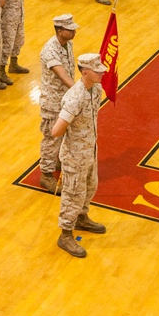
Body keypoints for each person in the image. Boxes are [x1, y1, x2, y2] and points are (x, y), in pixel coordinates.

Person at [50, 53, 107, 258]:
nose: (102, 72)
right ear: (85, 73)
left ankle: (82, 217)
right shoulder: (75, 97)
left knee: (90, 186)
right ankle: (65, 234)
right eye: (97, 70)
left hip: (89, 150)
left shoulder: (96, 89)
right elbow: (56, 131)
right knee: (73, 194)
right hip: (75, 155)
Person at [37, 15, 77, 193]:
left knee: (64, 134)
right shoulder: (50, 50)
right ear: (60, 31)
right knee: (51, 138)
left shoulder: (68, 45)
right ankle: (46, 174)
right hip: (52, 102)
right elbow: (62, 74)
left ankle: (59, 161)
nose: (74, 31)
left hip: (65, 98)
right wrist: (80, 90)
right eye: (70, 29)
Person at [0, 0, 28, 79]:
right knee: (7, 44)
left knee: (18, 41)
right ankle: (1, 72)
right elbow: (1, 3)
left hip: (18, 17)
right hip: (8, 20)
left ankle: (14, 64)